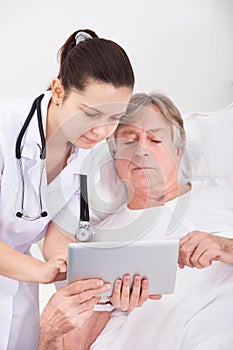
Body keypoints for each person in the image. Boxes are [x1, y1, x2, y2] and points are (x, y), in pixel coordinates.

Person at [45, 92, 233, 349]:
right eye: (129, 141)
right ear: (114, 158)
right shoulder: (101, 242)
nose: (142, 150)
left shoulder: (222, 191)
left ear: (178, 152)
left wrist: (225, 247)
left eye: (155, 139)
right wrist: (107, 301)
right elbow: (72, 345)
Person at [0, 28, 135, 350]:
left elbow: (58, 232)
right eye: (90, 114)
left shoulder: (91, 150)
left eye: (115, 118)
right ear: (59, 90)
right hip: (24, 271)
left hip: (17, 284)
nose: (102, 131)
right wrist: (41, 270)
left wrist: (74, 268)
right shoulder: (4, 128)